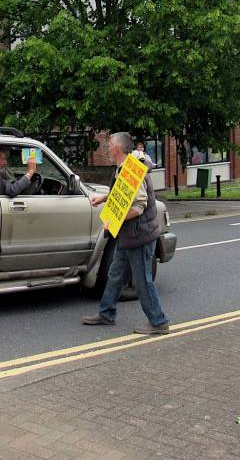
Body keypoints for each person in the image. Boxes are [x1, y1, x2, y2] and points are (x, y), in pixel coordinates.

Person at [83, 132, 170, 335]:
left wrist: (112, 221)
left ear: (116, 148)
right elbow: (124, 195)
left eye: (109, 145)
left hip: (139, 236)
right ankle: (106, 313)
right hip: (129, 235)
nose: (107, 149)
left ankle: (159, 322)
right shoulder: (124, 168)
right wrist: (105, 198)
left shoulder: (132, 171)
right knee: (115, 274)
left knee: (142, 281)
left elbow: (138, 207)